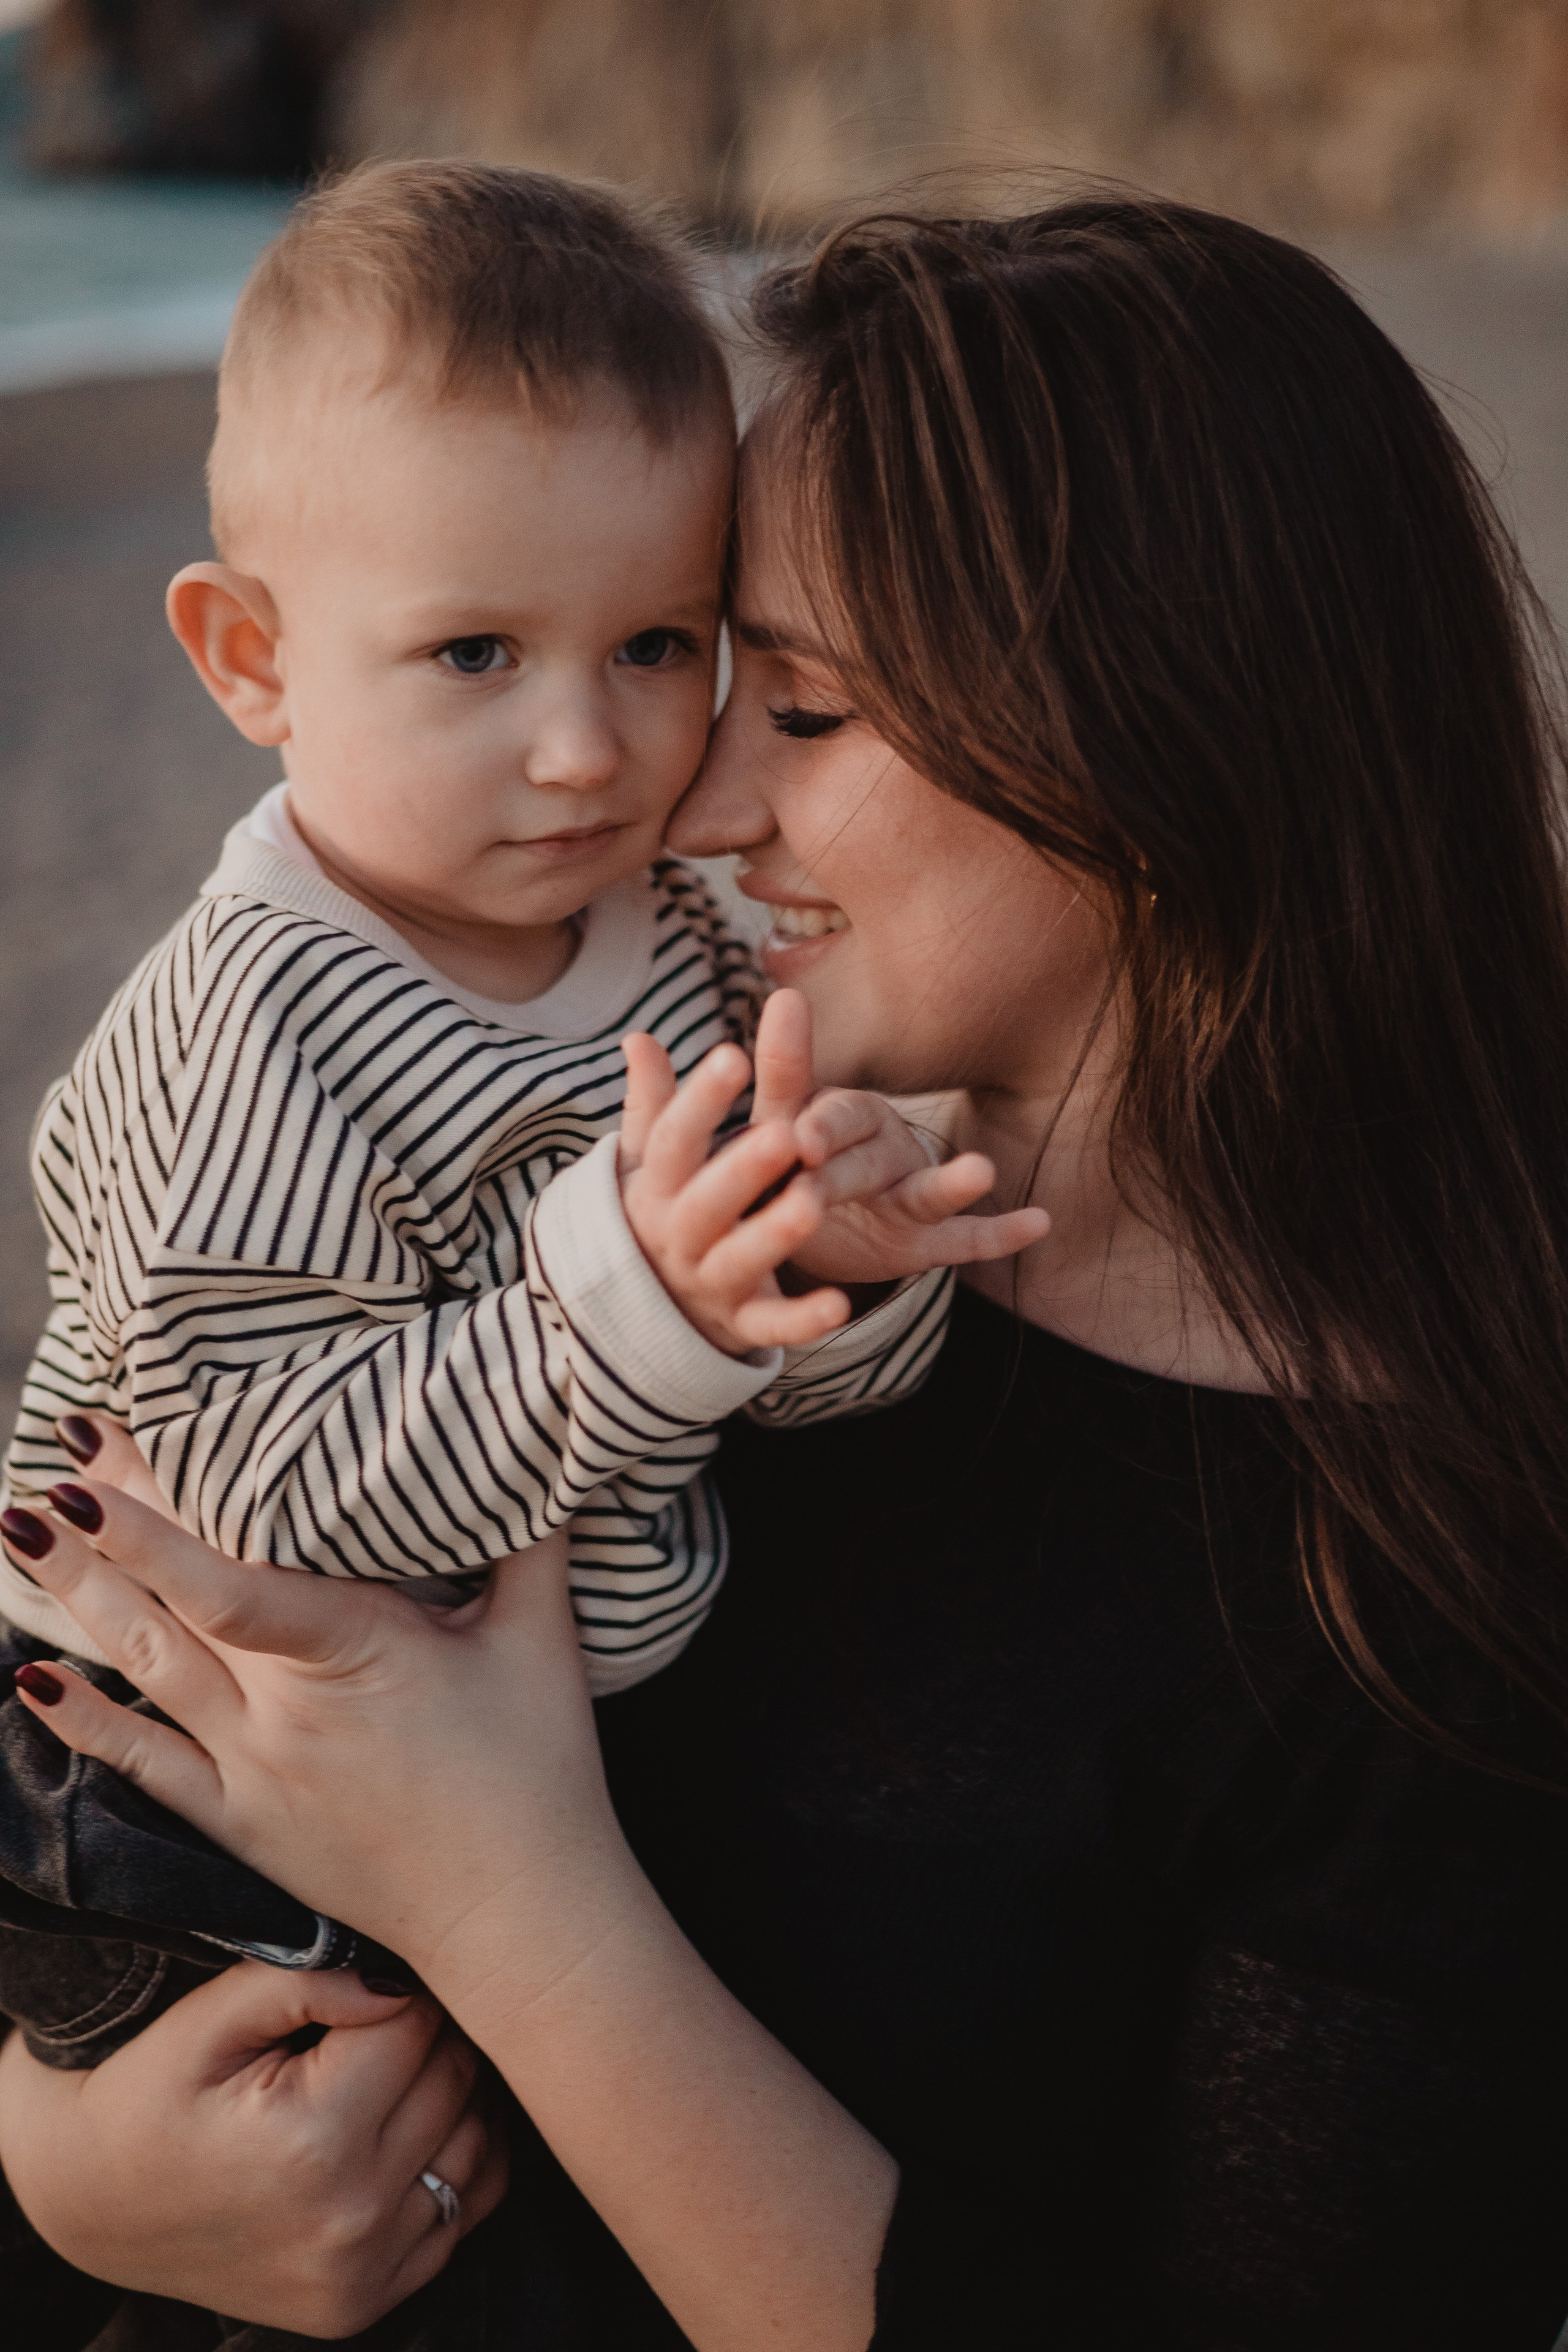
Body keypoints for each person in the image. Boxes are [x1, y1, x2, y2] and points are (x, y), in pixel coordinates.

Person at [6, 192, 1568, 2350]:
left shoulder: (1436, 1602)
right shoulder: (684, 1185)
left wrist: (513, 1910)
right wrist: (66, 2163)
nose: (682, 790)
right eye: (705, 664)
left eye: (791, 707)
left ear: (1162, 744)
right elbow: (131, 1689)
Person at [0, 160, 1040, 2049]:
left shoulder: (676, 933)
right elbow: (262, 1490)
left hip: (555, 1721)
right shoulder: (255, 1018)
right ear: (255, 660)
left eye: (654, 646)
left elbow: (731, 1367)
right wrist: (631, 1302)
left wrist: (819, 1273)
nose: (586, 748)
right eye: (477, 655)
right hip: (186, 1793)